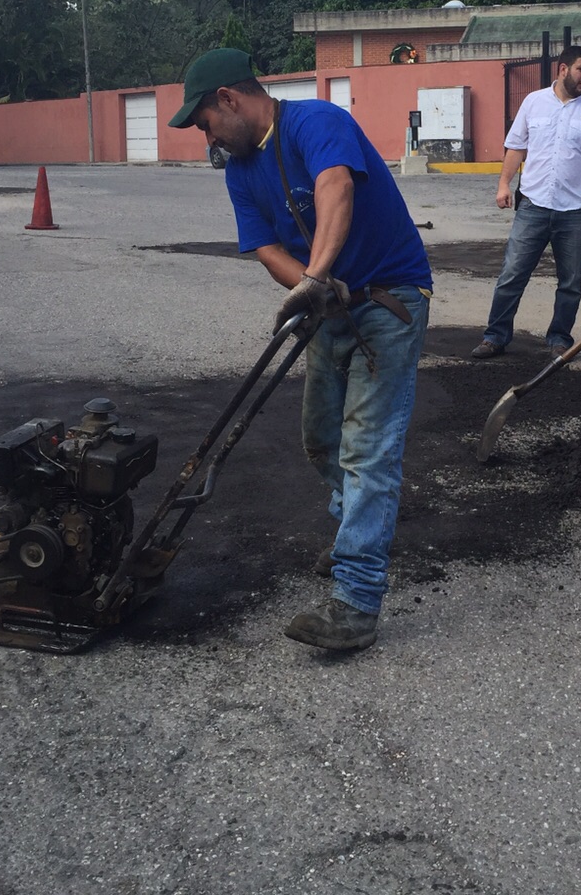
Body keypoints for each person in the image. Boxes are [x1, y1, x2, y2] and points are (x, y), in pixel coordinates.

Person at [168, 48, 432, 651]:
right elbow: (264, 248)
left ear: (230, 99)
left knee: (368, 449)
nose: (205, 135)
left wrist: (318, 277)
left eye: (205, 121)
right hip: (329, 305)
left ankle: (358, 600)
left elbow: (335, 185)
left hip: (389, 300)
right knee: (321, 439)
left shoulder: (316, 121)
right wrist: (312, 286)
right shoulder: (239, 170)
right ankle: (353, 535)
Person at [471, 46, 581, 360]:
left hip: (575, 211)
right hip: (533, 205)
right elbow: (516, 147)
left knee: (570, 281)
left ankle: (558, 339)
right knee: (512, 275)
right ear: (562, 69)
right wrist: (503, 184)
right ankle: (495, 337)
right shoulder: (534, 102)